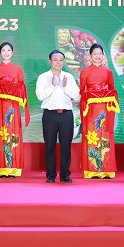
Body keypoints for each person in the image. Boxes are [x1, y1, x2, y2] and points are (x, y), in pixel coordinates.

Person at [36, 50, 80, 183]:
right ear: (50, 61)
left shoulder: (69, 77)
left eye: (61, 60)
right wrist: (52, 86)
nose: (58, 62)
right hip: (50, 115)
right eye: (55, 59)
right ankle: (50, 175)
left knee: (66, 146)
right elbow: (40, 96)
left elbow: (77, 97)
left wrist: (65, 87)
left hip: (66, 115)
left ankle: (65, 174)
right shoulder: (43, 77)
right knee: (50, 145)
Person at [78, 44, 119, 179]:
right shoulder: (85, 72)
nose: (97, 56)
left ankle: (106, 169)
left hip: (105, 110)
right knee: (92, 135)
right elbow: (81, 91)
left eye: (100, 53)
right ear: (90, 55)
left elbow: (112, 90)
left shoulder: (108, 72)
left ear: (103, 55)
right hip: (91, 110)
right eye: (94, 53)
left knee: (105, 134)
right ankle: (92, 170)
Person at [0, 42, 30, 178]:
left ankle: (13, 168)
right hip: (0, 107)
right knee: (1, 133)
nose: (6, 52)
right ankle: (1, 168)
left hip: (13, 107)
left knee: (13, 133)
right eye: (3, 50)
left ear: (12, 52)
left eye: (8, 50)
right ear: (0, 52)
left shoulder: (18, 69)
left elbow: (21, 88)